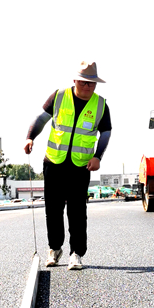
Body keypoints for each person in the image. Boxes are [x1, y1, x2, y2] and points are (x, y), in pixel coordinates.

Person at [23, 61, 112, 270]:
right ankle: (54, 248)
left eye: (91, 83)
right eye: (83, 82)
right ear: (75, 80)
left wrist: (98, 157)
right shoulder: (59, 96)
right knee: (53, 209)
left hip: (81, 166)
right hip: (54, 162)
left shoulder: (101, 105)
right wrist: (30, 137)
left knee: (77, 211)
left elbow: (106, 133)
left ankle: (76, 253)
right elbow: (41, 119)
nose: (87, 86)